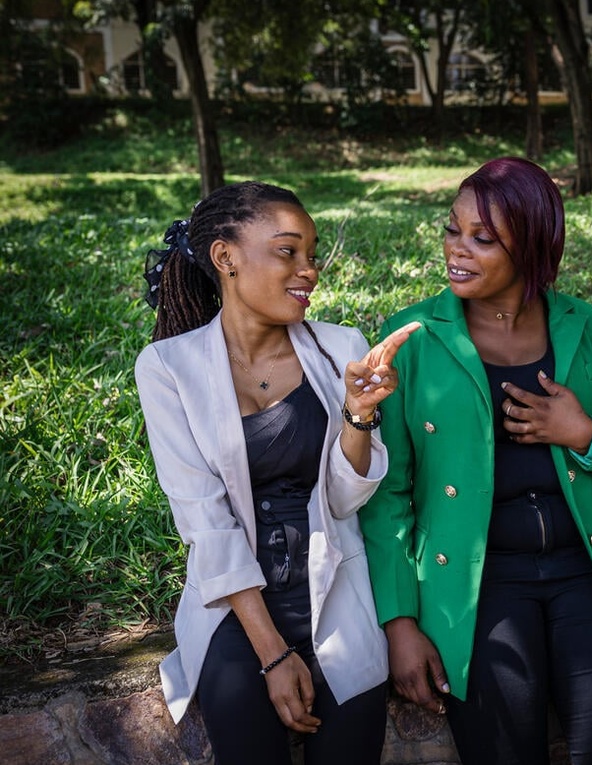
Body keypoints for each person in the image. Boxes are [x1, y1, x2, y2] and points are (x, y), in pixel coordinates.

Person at [358, 157, 592, 765]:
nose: (458, 249)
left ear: (531, 247)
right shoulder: (414, 338)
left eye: (483, 239)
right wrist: (400, 623)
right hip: (479, 579)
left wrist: (581, 431)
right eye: (453, 230)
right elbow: (387, 496)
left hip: (587, 563)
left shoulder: (583, 325)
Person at [135, 181, 420, 765]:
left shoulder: (342, 348)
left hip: (336, 587)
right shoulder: (168, 367)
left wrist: (359, 415)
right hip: (235, 606)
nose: (309, 270)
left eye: (311, 254)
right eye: (288, 251)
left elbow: (344, 501)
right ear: (226, 257)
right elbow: (204, 522)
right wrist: (271, 655)